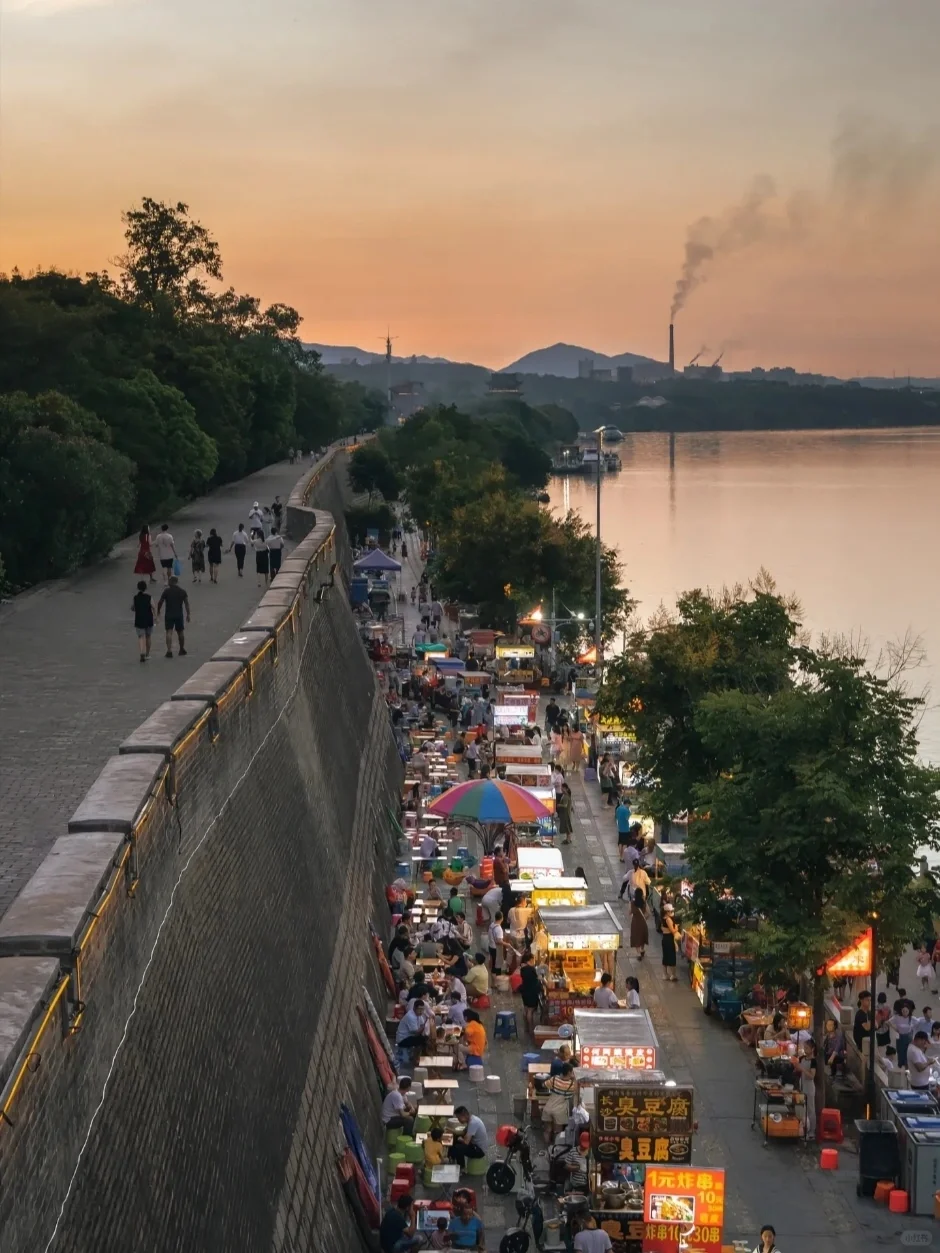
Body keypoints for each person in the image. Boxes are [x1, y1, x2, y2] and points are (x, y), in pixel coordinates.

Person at [157, 575, 191, 658]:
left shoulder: (166, 591)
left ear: (171, 582)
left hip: (169, 614)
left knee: (169, 632)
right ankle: (181, 649)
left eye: (169, 581)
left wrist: (158, 611)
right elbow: (186, 604)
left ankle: (169, 651)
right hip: (179, 614)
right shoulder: (182, 591)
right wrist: (188, 614)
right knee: (180, 632)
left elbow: (160, 602)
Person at [542, 1061, 576, 1143]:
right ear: (569, 1072)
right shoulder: (571, 1085)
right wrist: (574, 1078)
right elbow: (576, 1092)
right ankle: (555, 1148)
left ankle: (545, 1146)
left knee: (547, 1130)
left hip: (548, 1108)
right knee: (557, 1132)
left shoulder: (554, 1079)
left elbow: (544, 1085)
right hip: (559, 1111)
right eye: (572, 1072)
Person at [449, 1107, 488, 1172]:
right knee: (455, 1138)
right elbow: (463, 1132)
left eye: (459, 1118)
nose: (458, 1120)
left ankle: (462, 1168)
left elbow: (466, 1142)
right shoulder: (472, 1119)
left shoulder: (473, 1123)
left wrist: (460, 1139)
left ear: (463, 1115)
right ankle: (451, 1158)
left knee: (458, 1148)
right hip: (474, 1145)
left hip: (479, 1150)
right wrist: (453, 1132)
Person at [519, 951, 543, 1036]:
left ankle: (526, 1028)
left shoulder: (522, 968)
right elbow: (536, 979)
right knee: (530, 1011)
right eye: (533, 960)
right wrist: (540, 978)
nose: (534, 961)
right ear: (529, 960)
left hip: (525, 991)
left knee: (526, 1009)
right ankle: (531, 1029)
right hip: (531, 992)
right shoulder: (531, 969)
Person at [798, 1041, 817, 1139]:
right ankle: (804, 1129)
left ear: (812, 1049)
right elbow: (798, 1070)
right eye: (804, 1048)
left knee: (810, 1109)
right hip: (802, 1085)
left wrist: (802, 1069)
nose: (805, 1050)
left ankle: (812, 1131)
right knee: (803, 1109)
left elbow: (812, 1076)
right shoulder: (802, 1059)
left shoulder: (813, 1062)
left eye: (807, 1048)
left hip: (809, 1087)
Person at [132, 580, 155, 662]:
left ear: (138, 588)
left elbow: (133, 608)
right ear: (146, 588)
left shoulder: (135, 597)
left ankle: (142, 652)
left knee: (141, 637)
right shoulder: (149, 597)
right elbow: (153, 607)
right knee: (148, 636)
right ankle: (147, 654)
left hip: (139, 619)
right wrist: (156, 617)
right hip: (148, 619)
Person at [891, 1002, 915, 1067]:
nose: (905, 1013)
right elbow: (888, 1022)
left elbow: (917, 1022)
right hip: (900, 1036)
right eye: (903, 1011)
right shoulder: (897, 1017)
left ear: (909, 1011)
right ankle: (900, 1064)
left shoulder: (911, 1018)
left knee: (907, 1051)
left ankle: (906, 1064)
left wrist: (912, 1028)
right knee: (900, 1050)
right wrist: (895, 1028)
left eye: (906, 1011)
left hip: (908, 1036)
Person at [661, 904, 680, 981]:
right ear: (667, 912)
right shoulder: (668, 919)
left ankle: (665, 974)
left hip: (665, 939)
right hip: (669, 939)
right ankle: (673, 975)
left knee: (665, 957)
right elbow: (673, 931)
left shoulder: (663, 918)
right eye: (671, 911)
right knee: (672, 957)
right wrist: (677, 928)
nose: (672, 912)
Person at [630, 889, 649, 960]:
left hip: (635, 922)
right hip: (642, 922)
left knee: (636, 937)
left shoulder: (632, 903)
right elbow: (649, 913)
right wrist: (644, 918)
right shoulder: (644, 903)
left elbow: (629, 912)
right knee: (642, 936)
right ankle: (642, 949)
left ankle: (638, 953)